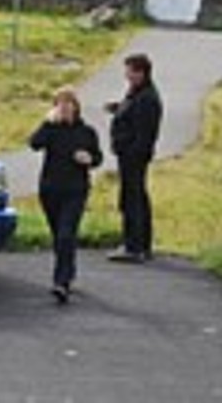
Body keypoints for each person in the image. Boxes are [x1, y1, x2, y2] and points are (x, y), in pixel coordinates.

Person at [28, 86, 103, 303]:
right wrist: (47, 122)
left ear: (76, 107)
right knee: (59, 237)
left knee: (66, 234)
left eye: (68, 103)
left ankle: (61, 282)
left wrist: (89, 159)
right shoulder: (51, 131)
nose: (65, 108)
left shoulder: (86, 132)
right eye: (60, 104)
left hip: (75, 190)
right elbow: (34, 143)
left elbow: (98, 157)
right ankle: (67, 269)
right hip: (50, 189)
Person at [105, 52, 162, 263]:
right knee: (136, 197)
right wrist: (117, 109)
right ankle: (140, 244)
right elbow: (130, 112)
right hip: (129, 155)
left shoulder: (147, 98)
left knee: (132, 200)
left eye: (129, 71)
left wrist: (131, 152)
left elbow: (145, 132)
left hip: (133, 158)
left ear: (140, 72)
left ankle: (134, 246)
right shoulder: (138, 93)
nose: (126, 75)